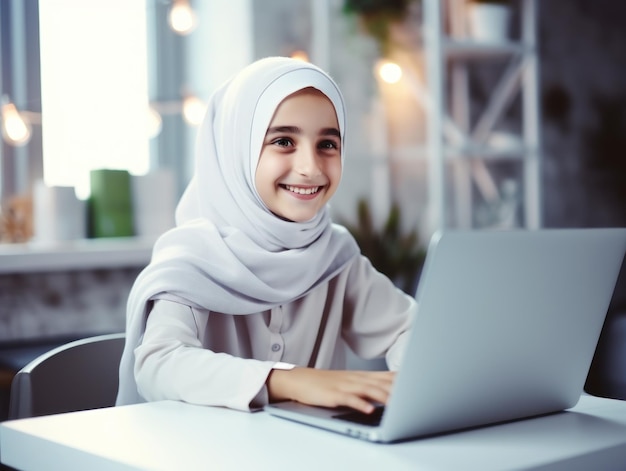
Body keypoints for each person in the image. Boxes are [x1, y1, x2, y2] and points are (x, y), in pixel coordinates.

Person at [116, 56, 416, 414]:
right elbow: (159, 365)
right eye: (284, 141)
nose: (310, 168)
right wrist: (289, 380)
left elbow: (409, 330)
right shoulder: (192, 259)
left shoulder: (335, 254)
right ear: (237, 149)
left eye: (328, 144)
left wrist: (412, 383)